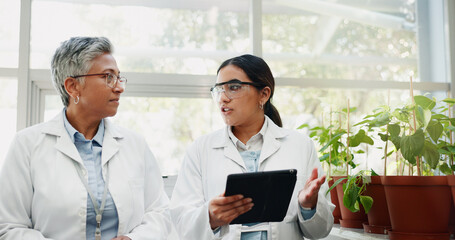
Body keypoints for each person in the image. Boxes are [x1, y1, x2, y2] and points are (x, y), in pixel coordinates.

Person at [0, 37, 171, 240]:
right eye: (108, 77)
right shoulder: (26, 145)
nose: (119, 87)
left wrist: (135, 239)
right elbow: (9, 227)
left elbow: (161, 213)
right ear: (73, 87)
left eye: (118, 77)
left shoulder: (134, 144)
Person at [170, 54, 334, 239]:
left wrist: (308, 206)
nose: (223, 98)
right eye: (218, 89)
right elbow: (181, 223)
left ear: (264, 94)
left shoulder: (300, 146)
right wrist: (210, 216)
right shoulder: (200, 150)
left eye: (233, 88)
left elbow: (321, 230)